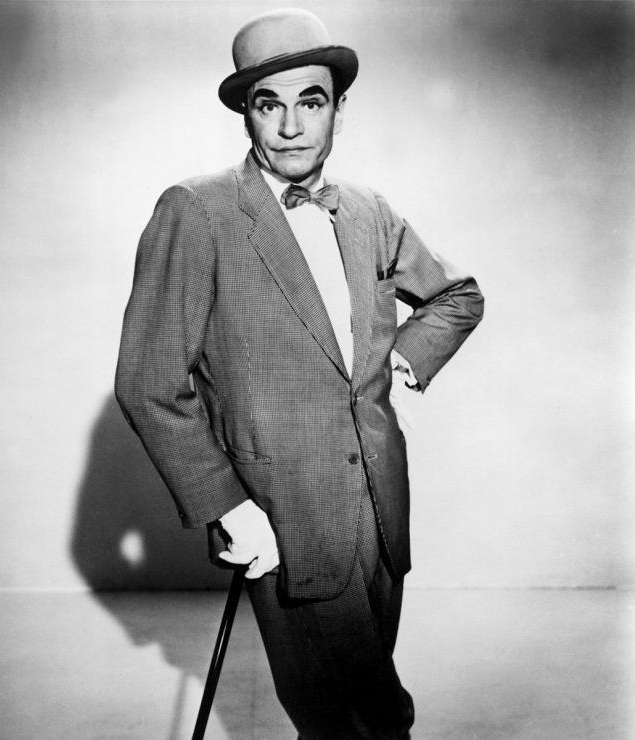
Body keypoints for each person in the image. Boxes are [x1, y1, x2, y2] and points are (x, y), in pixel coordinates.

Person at [116, 8, 484, 738]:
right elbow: (149, 382)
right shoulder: (196, 211)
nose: (290, 126)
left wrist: (395, 367)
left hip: (380, 503)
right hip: (282, 517)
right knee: (360, 715)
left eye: (310, 103)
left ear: (339, 110)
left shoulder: (369, 211)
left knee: (359, 703)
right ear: (246, 114)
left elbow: (457, 295)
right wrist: (228, 506)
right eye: (269, 104)